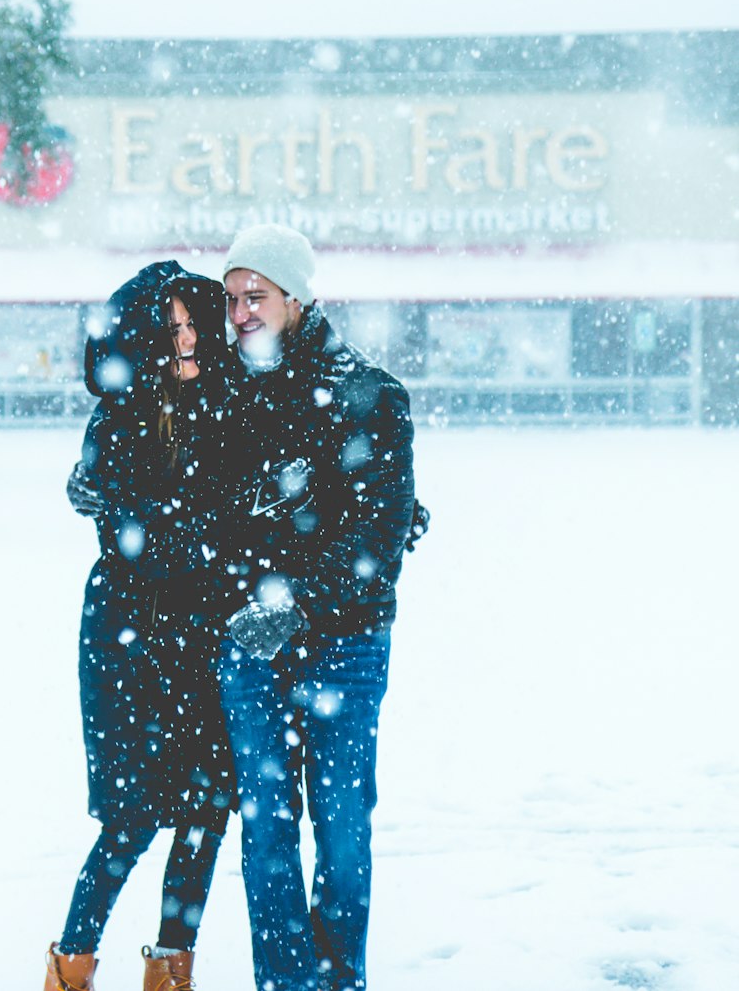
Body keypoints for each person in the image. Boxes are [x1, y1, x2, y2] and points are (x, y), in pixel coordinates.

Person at [216, 224, 417, 991]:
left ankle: (339, 981)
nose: (239, 312)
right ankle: (286, 982)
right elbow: (202, 507)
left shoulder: (369, 393)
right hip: (249, 649)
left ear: (295, 297)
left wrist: (297, 605)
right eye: (231, 297)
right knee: (266, 835)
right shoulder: (228, 395)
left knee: (338, 837)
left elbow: (377, 533)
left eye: (255, 295)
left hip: (346, 646)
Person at [45, 261, 235, 991]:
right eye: (172, 328)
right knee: (132, 818)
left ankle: (169, 975)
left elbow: (283, 478)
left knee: (206, 811)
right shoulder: (120, 418)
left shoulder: (230, 403)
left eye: (196, 324)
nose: (187, 340)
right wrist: (219, 538)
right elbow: (142, 541)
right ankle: (69, 971)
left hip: (208, 639)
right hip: (132, 640)